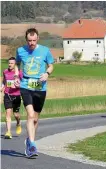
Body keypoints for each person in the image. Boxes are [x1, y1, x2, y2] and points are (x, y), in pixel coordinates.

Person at [14, 28, 54, 158]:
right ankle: (32, 144)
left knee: (36, 119)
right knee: (30, 115)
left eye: (34, 40)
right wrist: (16, 76)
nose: (32, 43)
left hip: (40, 87)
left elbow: (51, 65)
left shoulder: (45, 51)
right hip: (25, 86)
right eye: (29, 40)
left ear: (37, 39)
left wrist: (47, 73)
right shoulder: (20, 51)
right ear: (26, 40)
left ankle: (29, 141)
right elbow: (17, 64)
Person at [1, 57, 23, 139]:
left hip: (17, 95)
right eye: (9, 63)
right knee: (8, 113)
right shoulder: (5, 71)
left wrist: (18, 85)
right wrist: (2, 87)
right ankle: (8, 132)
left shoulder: (20, 73)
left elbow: (24, 83)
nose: (10, 64)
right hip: (7, 95)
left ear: (15, 64)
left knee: (16, 115)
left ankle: (18, 123)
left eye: (12, 63)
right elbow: (4, 81)